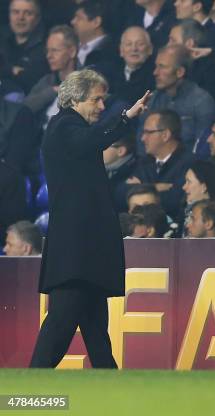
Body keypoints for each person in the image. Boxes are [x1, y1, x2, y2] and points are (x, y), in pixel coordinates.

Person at [29, 69, 150, 368]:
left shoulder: (71, 129)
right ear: (75, 99)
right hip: (76, 248)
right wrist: (126, 117)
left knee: (96, 328)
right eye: (96, 100)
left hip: (87, 247)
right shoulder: (64, 125)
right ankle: (26, 394)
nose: (101, 106)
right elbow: (92, 141)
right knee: (61, 323)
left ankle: (111, 394)